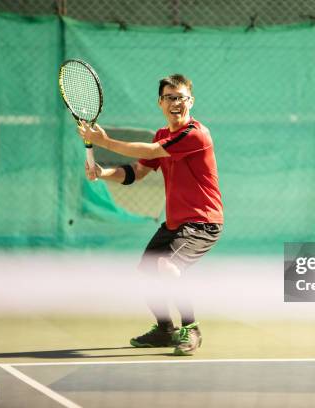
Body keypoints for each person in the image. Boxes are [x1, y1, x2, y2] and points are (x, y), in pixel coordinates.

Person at [77, 74, 223, 356]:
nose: (176, 103)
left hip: (203, 222)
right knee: (146, 272)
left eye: (181, 97)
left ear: (190, 101)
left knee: (168, 267)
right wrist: (102, 172)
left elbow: (154, 151)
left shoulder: (196, 134)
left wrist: (103, 141)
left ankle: (190, 329)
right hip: (176, 223)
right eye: (170, 97)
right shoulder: (162, 135)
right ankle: (165, 329)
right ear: (160, 102)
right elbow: (137, 172)